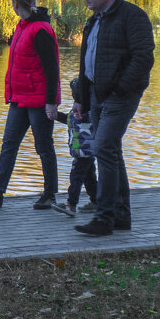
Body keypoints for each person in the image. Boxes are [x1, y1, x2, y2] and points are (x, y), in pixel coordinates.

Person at [71, 0, 155, 236]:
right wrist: (82, 100)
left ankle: (103, 218)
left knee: (104, 148)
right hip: (96, 95)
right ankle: (121, 216)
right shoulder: (93, 20)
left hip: (120, 95)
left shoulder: (133, 16)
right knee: (112, 152)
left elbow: (143, 57)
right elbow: (87, 63)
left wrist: (120, 88)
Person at [0, 0, 61, 210]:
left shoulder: (40, 29)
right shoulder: (22, 26)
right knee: (9, 144)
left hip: (39, 99)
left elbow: (52, 69)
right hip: (20, 98)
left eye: (13, 2)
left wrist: (51, 102)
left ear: (17, 3)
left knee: (43, 147)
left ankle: (50, 194)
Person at [50, 78, 97, 217]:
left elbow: (81, 120)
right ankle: (96, 201)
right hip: (82, 149)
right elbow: (70, 120)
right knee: (89, 177)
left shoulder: (88, 111)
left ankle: (71, 204)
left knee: (76, 176)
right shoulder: (81, 111)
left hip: (84, 150)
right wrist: (56, 116)